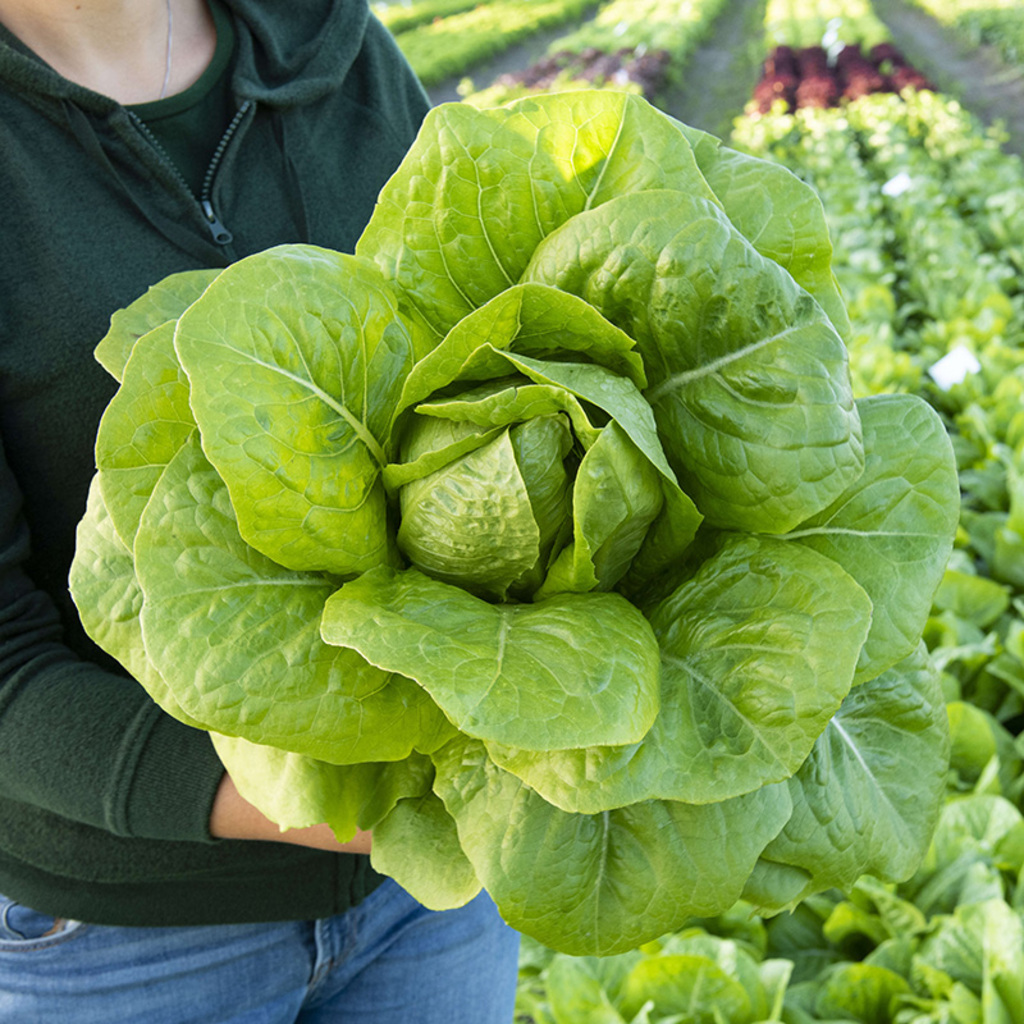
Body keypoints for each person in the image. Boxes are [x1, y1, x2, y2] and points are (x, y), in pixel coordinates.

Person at [0, 1, 521, 1019]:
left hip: (429, 904)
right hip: (120, 944)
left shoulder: (327, 39)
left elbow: (491, 337)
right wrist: (361, 798)